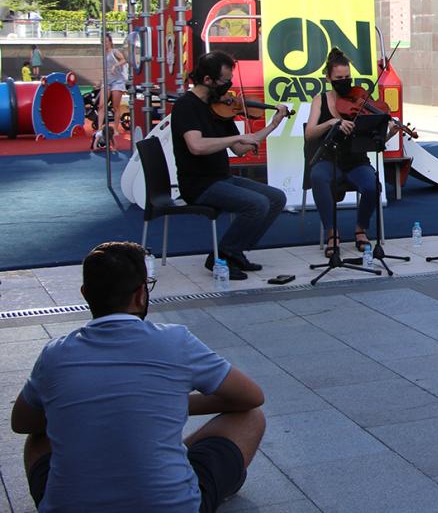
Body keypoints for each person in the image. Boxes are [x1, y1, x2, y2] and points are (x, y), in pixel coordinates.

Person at [10, 241, 266, 512]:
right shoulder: (175, 341)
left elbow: (22, 422)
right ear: (140, 294)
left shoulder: (55, 355)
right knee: (250, 418)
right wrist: (170, 399)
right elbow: (252, 397)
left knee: (38, 438)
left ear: (85, 294)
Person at [171, 50, 289, 280]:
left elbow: (241, 148)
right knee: (257, 204)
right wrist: (234, 138)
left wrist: (273, 125)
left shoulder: (218, 106)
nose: (229, 86)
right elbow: (196, 145)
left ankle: (235, 251)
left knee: (276, 198)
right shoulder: (187, 106)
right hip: (198, 184)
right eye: (225, 81)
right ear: (208, 80)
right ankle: (221, 256)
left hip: (221, 178)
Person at [303, 48, 396, 256]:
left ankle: (361, 230)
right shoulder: (320, 100)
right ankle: (331, 233)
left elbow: (375, 142)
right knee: (318, 177)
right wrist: (331, 123)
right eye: (339, 78)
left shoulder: (360, 99)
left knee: (372, 185)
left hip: (356, 160)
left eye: (347, 77)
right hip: (329, 159)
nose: (344, 81)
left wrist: (389, 133)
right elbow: (309, 134)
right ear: (328, 78)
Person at [97, 32, 128, 140]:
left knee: (115, 106)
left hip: (117, 81)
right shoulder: (104, 54)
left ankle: (115, 128)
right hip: (107, 81)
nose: (104, 44)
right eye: (103, 42)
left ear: (110, 42)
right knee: (101, 105)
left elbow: (124, 60)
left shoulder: (114, 52)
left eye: (106, 41)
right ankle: (99, 128)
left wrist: (115, 65)